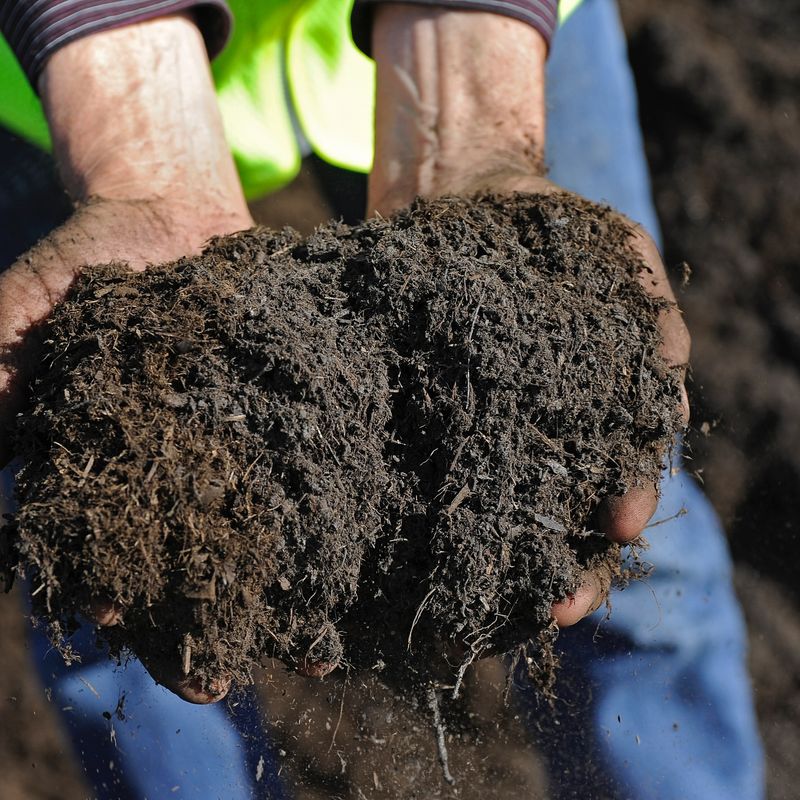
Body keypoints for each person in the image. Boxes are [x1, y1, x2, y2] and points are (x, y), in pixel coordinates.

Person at [0, 0, 764, 796]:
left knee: (607, 505)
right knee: (127, 562)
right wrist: (134, 150)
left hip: (502, 34)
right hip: (57, 64)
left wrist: (474, 65)